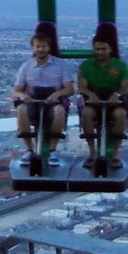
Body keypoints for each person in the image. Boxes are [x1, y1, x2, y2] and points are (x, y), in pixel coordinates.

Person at [12, 32, 75, 166]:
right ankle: (29, 149)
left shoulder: (60, 65)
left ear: (49, 47)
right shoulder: (26, 67)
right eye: (37, 46)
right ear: (33, 48)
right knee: (21, 109)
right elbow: (16, 91)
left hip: (53, 101)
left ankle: (52, 150)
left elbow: (70, 89)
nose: (40, 49)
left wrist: (57, 94)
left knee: (59, 111)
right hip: (33, 100)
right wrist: (23, 96)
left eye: (43, 46)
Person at [77, 34, 128, 167]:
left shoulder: (120, 66)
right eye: (97, 49)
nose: (100, 52)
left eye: (103, 49)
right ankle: (92, 152)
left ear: (110, 49)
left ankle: (116, 154)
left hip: (114, 102)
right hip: (94, 101)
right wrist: (90, 95)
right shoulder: (86, 66)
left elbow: (126, 87)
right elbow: (82, 87)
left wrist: (117, 95)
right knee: (86, 114)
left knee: (120, 115)